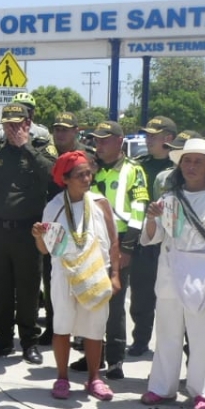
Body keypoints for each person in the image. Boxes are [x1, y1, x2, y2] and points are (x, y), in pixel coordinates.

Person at [140, 138, 205, 409]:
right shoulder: (168, 198)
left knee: (202, 336)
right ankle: (162, 387)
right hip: (171, 267)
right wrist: (151, 218)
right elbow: (154, 237)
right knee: (167, 332)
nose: (191, 166)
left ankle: (204, 392)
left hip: (204, 271)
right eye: (187, 160)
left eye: (198, 161)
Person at [35, 151, 121, 401]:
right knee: (61, 326)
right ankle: (62, 378)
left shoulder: (99, 202)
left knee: (95, 328)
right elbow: (45, 249)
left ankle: (94, 378)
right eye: (80, 175)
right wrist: (39, 236)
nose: (87, 179)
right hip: (64, 276)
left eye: (88, 173)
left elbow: (114, 241)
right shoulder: (54, 206)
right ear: (66, 179)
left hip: (96, 273)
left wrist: (115, 274)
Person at [0, 104, 56, 364]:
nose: (12, 130)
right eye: (7, 125)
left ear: (27, 123)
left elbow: (52, 176)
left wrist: (27, 147)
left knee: (28, 290)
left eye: (17, 124)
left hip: (27, 232)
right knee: (0, 288)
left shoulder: (41, 150)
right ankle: (2, 339)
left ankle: (29, 342)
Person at [80, 120, 147, 378]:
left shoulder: (133, 169)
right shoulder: (89, 168)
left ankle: (115, 359)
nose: (99, 144)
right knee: (88, 299)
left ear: (120, 141)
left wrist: (127, 248)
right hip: (90, 239)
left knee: (114, 302)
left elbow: (139, 210)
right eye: (96, 139)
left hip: (119, 240)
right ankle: (90, 354)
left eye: (105, 139)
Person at [39, 113, 94, 348]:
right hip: (55, 218)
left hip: (81, 222)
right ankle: (53, 326)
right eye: (57, 129)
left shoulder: (86, 155)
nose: (60, 133)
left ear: (76, 131)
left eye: (65, 129)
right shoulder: (46, 152)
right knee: (53, 277)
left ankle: (82, 332)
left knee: (82, 277)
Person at [128, 116, 178, 358]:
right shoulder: (139, 164)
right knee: (141, 293)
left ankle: (170, 345)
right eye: (147, 135)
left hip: (172, 241)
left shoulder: (180, 167)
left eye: (153, 136)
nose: (148, 140)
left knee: (171, 299)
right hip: (146, 237)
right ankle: (140, 339)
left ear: (168, 138)